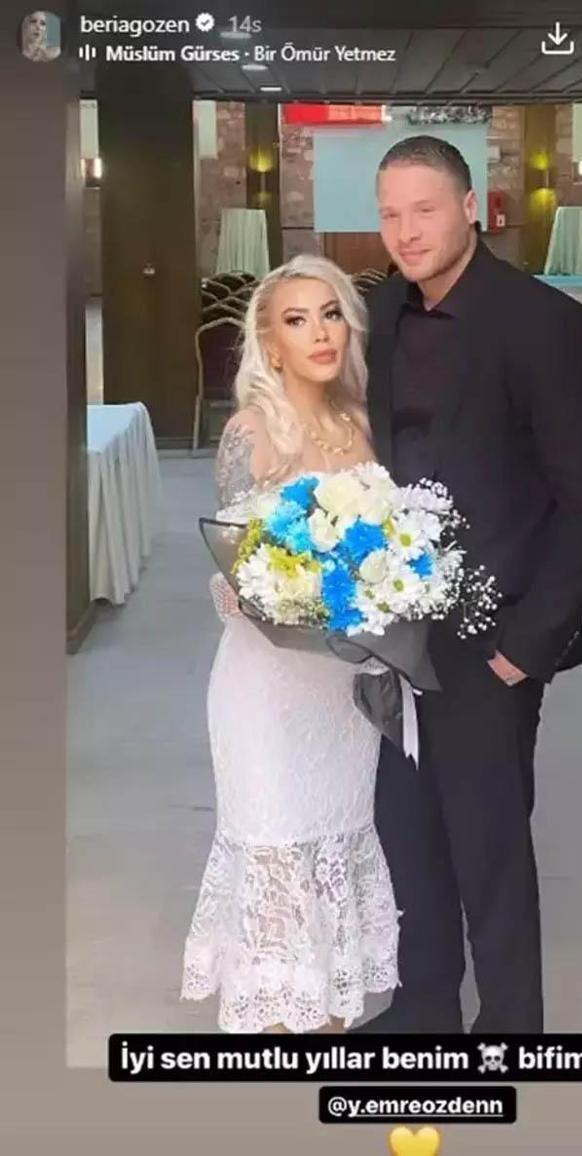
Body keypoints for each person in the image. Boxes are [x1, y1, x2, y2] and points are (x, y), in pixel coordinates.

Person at [357, 136, 582, 1034]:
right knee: (407, 827)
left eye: (424, 210)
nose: (406, 231)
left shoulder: (542, 322)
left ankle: (512, 1024)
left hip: (496, 634)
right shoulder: (380, 309)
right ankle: (425, 1003)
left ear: (470, 207)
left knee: (489, 841)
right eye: (390, 214)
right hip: (397, 627)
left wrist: (528, 647)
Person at [180, 255, 400, 1033]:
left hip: (344, 689)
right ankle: (280, 1025)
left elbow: (396, 548)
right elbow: (240, 566)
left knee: (335, 841)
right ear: (270, 344)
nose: (320, 333)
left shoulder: (368, 424)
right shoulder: (251, 431)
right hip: (265, 687)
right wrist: (284, 589)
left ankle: (329, 1017)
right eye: (298, 320)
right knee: (273, 843)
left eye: (331, 313)